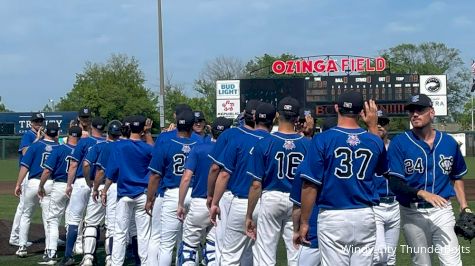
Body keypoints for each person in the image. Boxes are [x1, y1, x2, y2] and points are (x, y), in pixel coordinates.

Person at [299, 90, 387, 266]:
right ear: (361, 111)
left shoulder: (322, 139)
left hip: (334, 216)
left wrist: (305, 221)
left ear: (336, 107)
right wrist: (372, 127)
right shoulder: (374, 140)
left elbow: (310, 185)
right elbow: (382, 169)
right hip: (365, 215)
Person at [387, 94, 469, 265]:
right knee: (422, 262)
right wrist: (422, 193)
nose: (415, 114)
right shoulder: (400, 143)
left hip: (443, 211)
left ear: (431, 112)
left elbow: (456, 176)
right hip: (412, 212)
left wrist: (464, 206)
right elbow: (395, 184)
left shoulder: (448, 142)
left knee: (453, 262)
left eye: (420, 110)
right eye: (411, 111)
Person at [245, 97, 310, 265]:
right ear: (297, 118)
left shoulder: (265, 142)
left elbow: (256, 184)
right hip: (297, 200)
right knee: (296, 252)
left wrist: (249, 214)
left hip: (271, 197)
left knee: (265, 254)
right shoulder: (307, 145)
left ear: (276, 116)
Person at [210, 102, 274, 265]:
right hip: (268, 204)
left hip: (240, 201)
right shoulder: (275, 141)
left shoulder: (236, 137)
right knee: (260, 257)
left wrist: (214, 200)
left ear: (252, 116)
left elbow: (223, 174)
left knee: (230, 255)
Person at [146, 109, 200, 266]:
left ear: (176, 124)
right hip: (196, 194)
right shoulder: (202, 143)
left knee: (167, 244)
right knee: (190, 243)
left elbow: (155, 176)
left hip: (173, 194)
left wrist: (150, 199)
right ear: (192, 125)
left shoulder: (165, 143)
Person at [176, 117, 232, 266]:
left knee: (189, 248)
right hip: (222, 203)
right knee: (213, 250)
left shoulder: (199, 148)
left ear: (211, 130)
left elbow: (187, 177)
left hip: (200, 202)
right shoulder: (233, 150)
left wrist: (180, 203)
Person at [106, 115, 153, 265]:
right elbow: (155, 171)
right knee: (144, 234)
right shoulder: (147, 148)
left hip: (124, 194)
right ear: (142, 129)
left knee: (120, 233)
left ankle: (116, 263)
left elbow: (112, 171)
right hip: (143, 194)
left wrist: (104, 189)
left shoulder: (118, 146)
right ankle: (145, 263)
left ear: (129, 128)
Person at [60, 117, 106, 265]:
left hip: (81, 182)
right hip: (99, 184)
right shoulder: (108, 143)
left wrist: (69, 184)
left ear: (92, 127)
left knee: (74, 220)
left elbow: (74, 165)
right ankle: (90, 255)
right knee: (93, 222)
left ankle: (68, 256)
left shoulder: (84, 142)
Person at [79, 120, 123, 266]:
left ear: (108, 132)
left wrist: (91, 183)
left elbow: (88, 165)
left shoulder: (99, 146)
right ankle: (110, 258)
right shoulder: (124, 147)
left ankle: (88, 258)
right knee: (112, 225)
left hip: (102, 186)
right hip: (119, 188)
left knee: (91, 222)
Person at [14, 122, 60, 258]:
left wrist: (18, 183)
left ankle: (22, 247)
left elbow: (24, 166)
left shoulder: (35, 146)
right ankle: (48, 249)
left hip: (33, 182)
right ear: (57, 133)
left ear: (44, 132)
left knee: (26, 214)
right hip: (50, 183)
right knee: (49, 218)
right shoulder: (60, 147)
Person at [37, 126, 82, 264]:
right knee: (73, 221)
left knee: (53, 220)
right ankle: (74, 249)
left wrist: (41, 185)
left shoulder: (59, 149)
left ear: (68, 134)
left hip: (60, 185)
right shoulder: (83, 151)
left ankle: (51, 253)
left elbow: (46, 171)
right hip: (77, 186)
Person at [9, 112, 44, 247]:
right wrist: (37, 139)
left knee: (43, 205)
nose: (39, 124)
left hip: (38, 174)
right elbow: (25, 152)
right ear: (31, 123)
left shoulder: (41, 136)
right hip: (27, 174)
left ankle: (51, 236)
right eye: (36, 121)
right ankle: (15, 237)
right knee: (23, 206)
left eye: (40, 121)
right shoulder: (28, 135)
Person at [373, 110, 400, 266]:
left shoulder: (395, 147)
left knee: (390, 257)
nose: (380, 126)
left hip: (394, 205)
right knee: (379, 254)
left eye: (383, 122)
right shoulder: (366, 146)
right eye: (377, 122)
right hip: (375, 206)